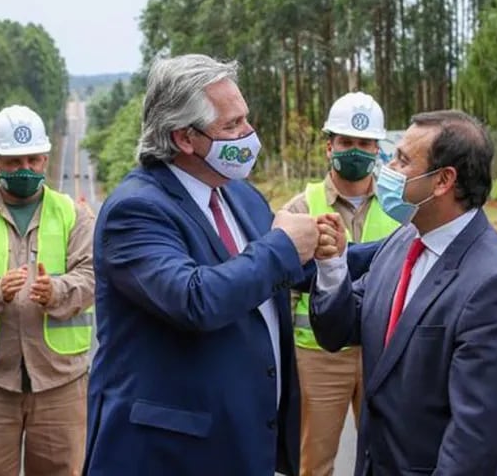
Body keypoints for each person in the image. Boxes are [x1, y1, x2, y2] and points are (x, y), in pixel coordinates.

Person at [84, 54, 343, 476]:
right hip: (167, 455)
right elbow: (196, 298)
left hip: (242, 446)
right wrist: (283, 246)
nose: (248, 134)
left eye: (246, 119)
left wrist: (372, 251)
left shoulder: (239, 195)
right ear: (184, 138)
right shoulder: (135, 211)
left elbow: (282, 270)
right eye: (232, 126)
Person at [310, 110, 497, 475]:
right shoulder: (404, 240)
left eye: (401, 160)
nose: (386, 168)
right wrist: (333, 264)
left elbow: (474, 439)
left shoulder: (495, 285)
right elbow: (339, 330)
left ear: (443, 180)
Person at [0, 104, 95, 476]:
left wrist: (57, 290)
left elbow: (94, 274)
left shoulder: (74, 215)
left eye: (33, 159)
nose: (24, 169)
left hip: (61, 381)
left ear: (46, 159)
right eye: (13, 162)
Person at [281, 92, 398, 476]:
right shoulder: (301, 208)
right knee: (313, 463)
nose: (355, 151)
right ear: (329, 144)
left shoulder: (401, 209)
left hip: (382, 353)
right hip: (317, 358)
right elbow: (284, 286)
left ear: (378, 149)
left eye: (364, 144)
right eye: (346, 142)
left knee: (387, 457)